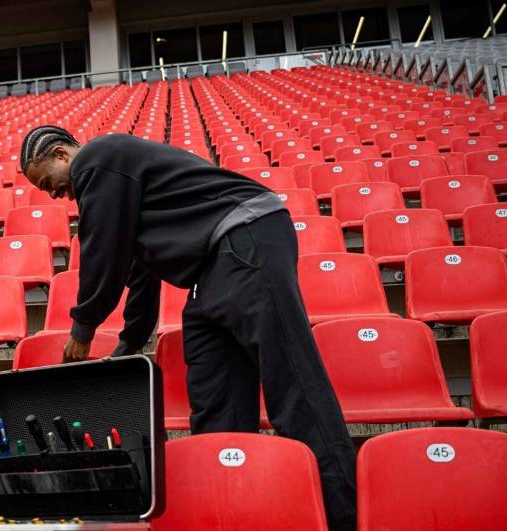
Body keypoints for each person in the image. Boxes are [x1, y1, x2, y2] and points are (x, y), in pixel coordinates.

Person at [20, 126, 357, 531]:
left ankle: (341, 516)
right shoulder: (121, 187)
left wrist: (83, 328)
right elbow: (137, 271)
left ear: (60, 153)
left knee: (293, 385)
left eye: (48, 183)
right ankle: (229, 515)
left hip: (245, 236)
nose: (55, 194)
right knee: (216, 399)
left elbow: (102, 251)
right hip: (211, 268)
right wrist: (128, 346)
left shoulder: (99, 157)